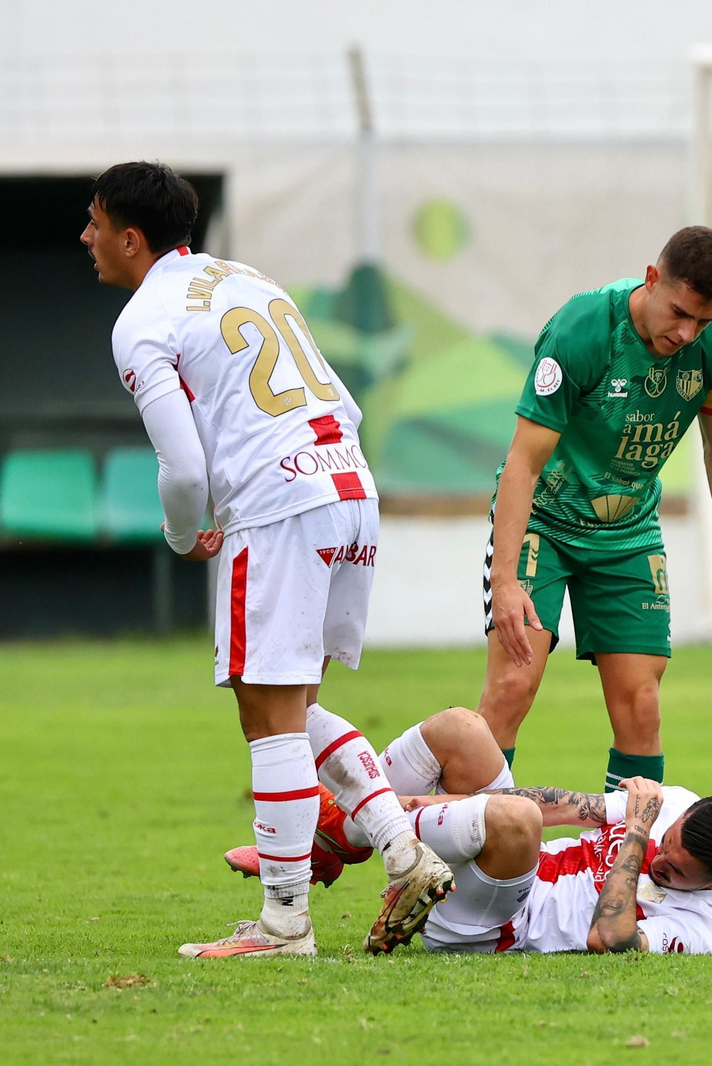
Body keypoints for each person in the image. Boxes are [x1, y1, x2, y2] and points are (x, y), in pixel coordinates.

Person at [83, 160, 453, 959]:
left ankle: (285, 924)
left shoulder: (142, 320)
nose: (87, 238)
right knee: (296, 706)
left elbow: (182, 470)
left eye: (95, 223)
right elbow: (341, 399)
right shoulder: (247, 278)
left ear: (131, 236)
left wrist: (186, 536)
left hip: (280, 504)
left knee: (267, 715)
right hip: (350, 486)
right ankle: (400, 847)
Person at [480, 227, 712, 792]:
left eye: (703, 321)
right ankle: (470, 854)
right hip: (545, 524)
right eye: (680, 313)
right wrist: (505, 580)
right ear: (652, 280)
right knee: (513, 688)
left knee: (642, 707)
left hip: (628, 534)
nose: (687, 333)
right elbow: (522, 463)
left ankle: (618, 870)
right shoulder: (582, 331)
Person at [224, 707, 712, 955]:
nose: (661, 861)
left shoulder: (705, 927)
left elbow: (610, 938)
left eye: (676, 871)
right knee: (461, 730)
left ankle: (339, 837)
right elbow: (566, 810)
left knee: (517, 821)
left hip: (495, 923)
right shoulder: (678, 806)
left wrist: (640, 837)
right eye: (667, 846)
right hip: (504, 855)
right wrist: (432, 802)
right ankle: (336, 842)